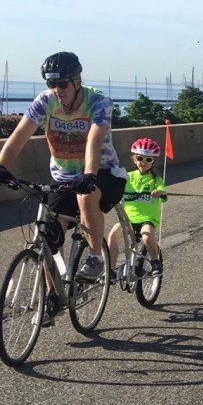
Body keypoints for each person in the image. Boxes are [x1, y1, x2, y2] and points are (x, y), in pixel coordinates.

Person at [0, 52, 127, 285]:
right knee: (47, 239)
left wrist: (90, 174)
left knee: (85, 197)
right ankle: (51, 297)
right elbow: (20, 134)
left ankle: (95, 258)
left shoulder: (98, 101)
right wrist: (1, 166)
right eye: (51, 83)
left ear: (77, 81)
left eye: (62, 83)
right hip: (65, 177)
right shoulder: (45, 102)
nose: (57, 89)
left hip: (103, 172)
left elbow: (95, 140)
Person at [108, 137, 166, 276]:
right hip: (128, 218)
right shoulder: (127, 176)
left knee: (146, 237)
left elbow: (162, 192)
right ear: (134, 159)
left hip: (147, 218)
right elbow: (116, 188)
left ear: (153, 161)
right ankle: (110, 269)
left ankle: (155, 261)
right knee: (113, 236)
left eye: (148, 159)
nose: (144, 162)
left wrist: (159, 192)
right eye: (140, 158)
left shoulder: (155, 179)